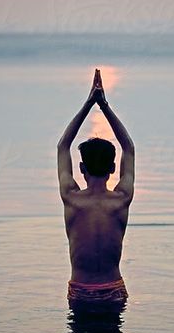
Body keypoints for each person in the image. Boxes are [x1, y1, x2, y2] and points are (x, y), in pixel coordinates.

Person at [57, 69, 135, 305]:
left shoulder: (71, 198)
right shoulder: (122, 198)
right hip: (113, 289)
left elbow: (63, 146)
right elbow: (128, 147)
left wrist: (89, 103)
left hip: (81, 290)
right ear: (113, 168)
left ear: (81, 168)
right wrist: (105, 106)